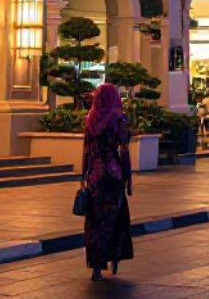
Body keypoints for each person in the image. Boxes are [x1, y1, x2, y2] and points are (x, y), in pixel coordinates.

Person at [82, 83, 133, 280]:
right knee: (115, 218)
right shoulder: (119, 119)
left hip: (95, 175)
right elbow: (124, 150)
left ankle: (96, 265)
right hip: (113, 175)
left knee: (95, 220)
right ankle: (114, 257)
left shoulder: (90, 120)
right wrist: (128, 178)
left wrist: (83, 176)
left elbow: (86, 150)